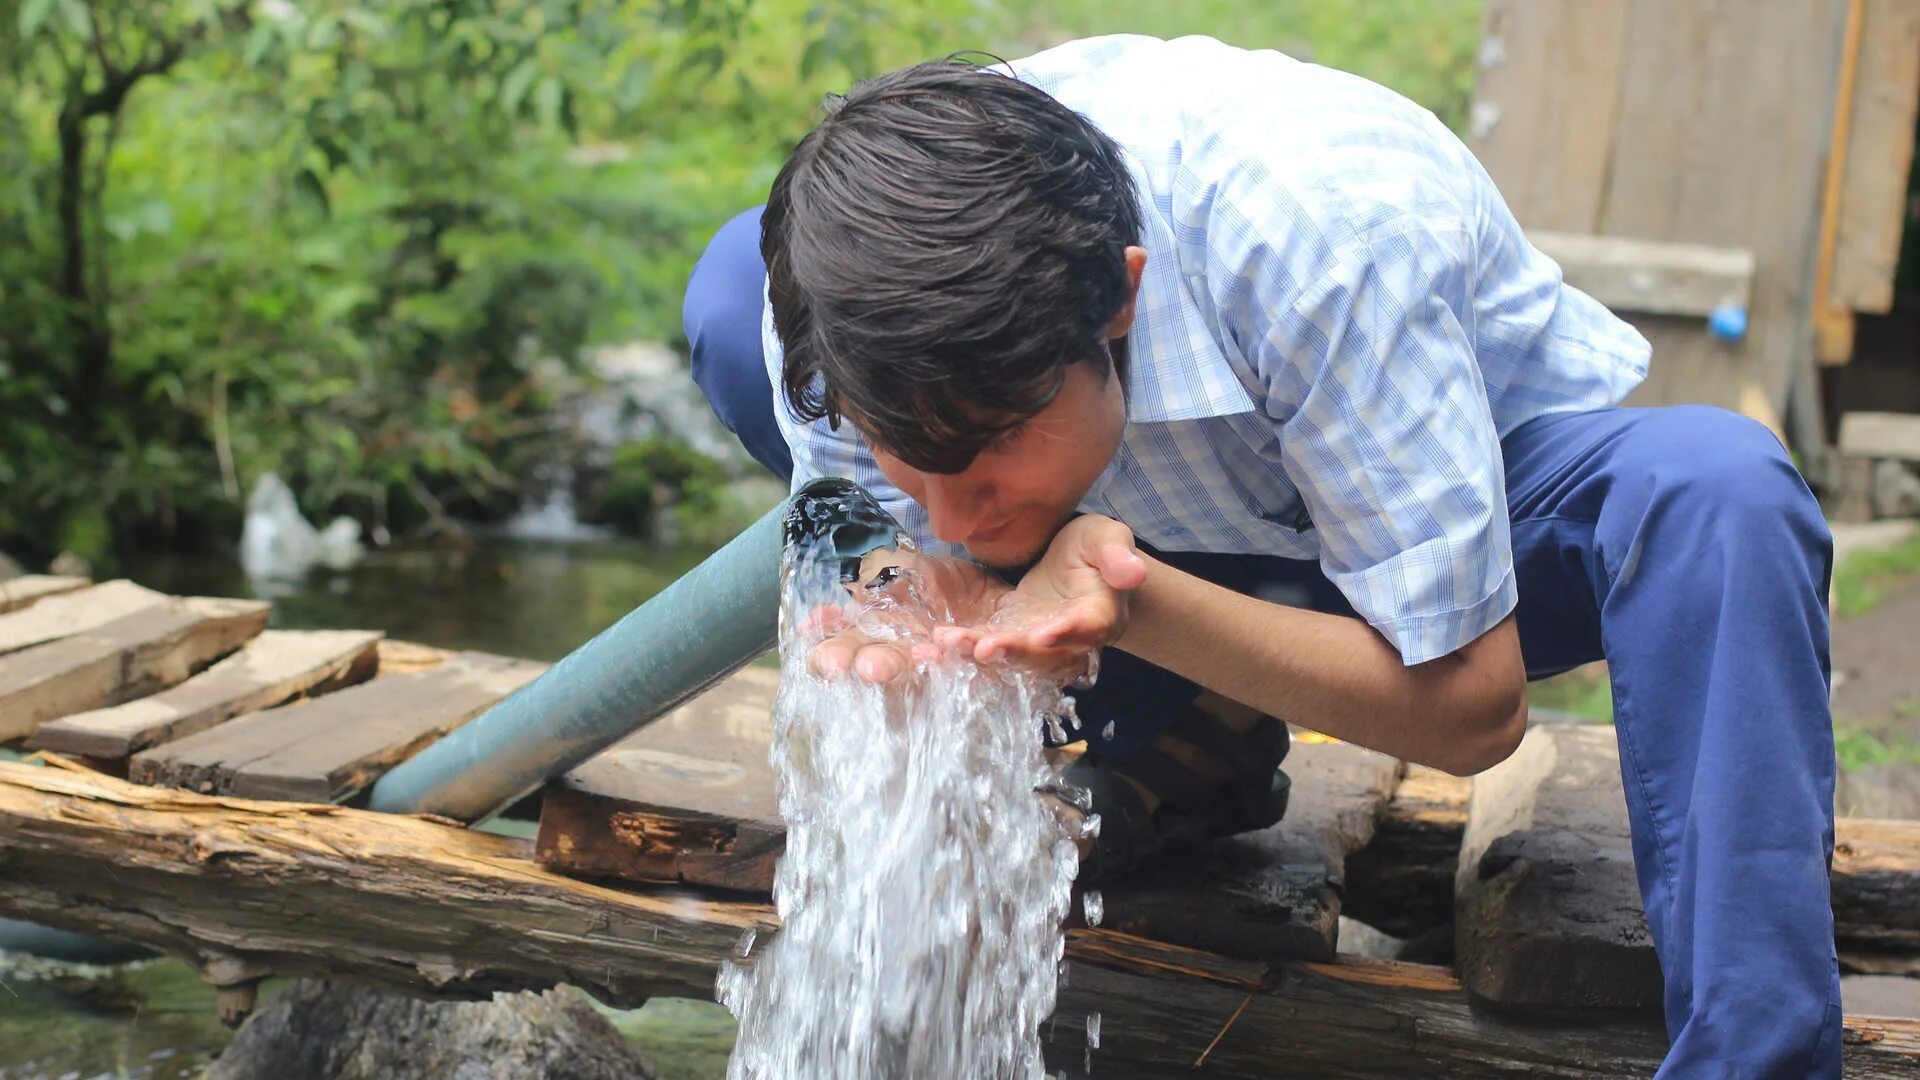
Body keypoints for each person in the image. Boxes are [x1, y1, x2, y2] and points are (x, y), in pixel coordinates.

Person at [681, 35, 1840, 1076]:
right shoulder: (842, 301)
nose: (946, 510)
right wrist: (890, 587)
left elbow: (1475, 713)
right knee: (728, 294)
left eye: (985, 450)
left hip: (1417, 545)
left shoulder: (1327, 237)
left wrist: (1132, 605)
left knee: (1719, 495)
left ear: (1120, 305)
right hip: (1139, 538)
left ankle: (1754, 1057)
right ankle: (1188, 745)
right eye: (907, 455)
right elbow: (867, 525)